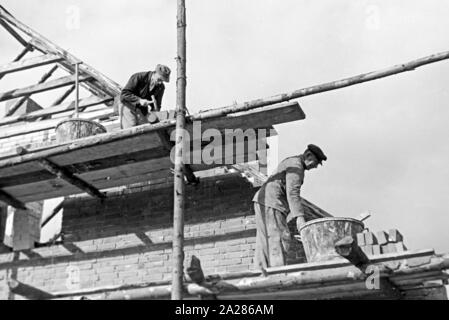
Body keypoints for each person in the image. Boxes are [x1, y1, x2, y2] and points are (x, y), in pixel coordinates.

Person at [252, 144, 327, 268]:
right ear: (308, 155)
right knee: (281, 238)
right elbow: (292, 192)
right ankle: (278, 274)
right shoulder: (296, 166)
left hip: (262, 201)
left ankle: (260, 272)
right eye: (316, 162)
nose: (316, 166)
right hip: (272, 203)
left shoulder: (291, 161)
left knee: (264, 241)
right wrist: (300, 217)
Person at [119, 64, 171, 129]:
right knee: (130, 129)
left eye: (162, 81)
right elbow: (124, 93)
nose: (160, 83)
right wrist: (139, 100)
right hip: (127, 106)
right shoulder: (138, 77)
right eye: (159, 79)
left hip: (141, 110)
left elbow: (157, 105)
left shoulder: (161, 87)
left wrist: (155, 113)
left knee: (143, 129)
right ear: (154, 73)